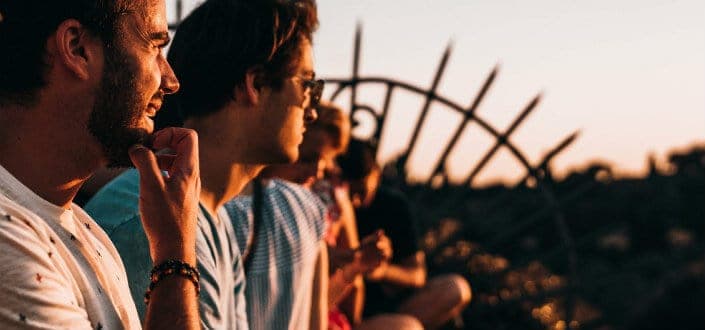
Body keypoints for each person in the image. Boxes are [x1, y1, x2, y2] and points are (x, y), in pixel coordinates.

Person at [84, 0, 321, 328]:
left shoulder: (214, 218)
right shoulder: (148, 220)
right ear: (255, 84)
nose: (312, 108)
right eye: (307, 85)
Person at [0, 0, 202, 329]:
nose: (170, 80)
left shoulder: (84, 230)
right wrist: (175, 256)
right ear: (77, 48)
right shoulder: (7, 245)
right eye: (154, 46)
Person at [249, 102, 421, 329]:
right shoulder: (251, 203)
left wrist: (357, 265)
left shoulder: (332, 198)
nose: (316, 172)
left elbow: (349, 290)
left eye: (326, 164)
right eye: (306, 158)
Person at [338, 139, 472, 329]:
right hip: (342, 309)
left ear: (376, 174)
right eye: (349, 192)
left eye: (361, 191)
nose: (355, 201)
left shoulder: (393, 206)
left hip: (388, 307)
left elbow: (417, 275)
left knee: (455, 289)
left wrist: (381, 271)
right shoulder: (334, 205)